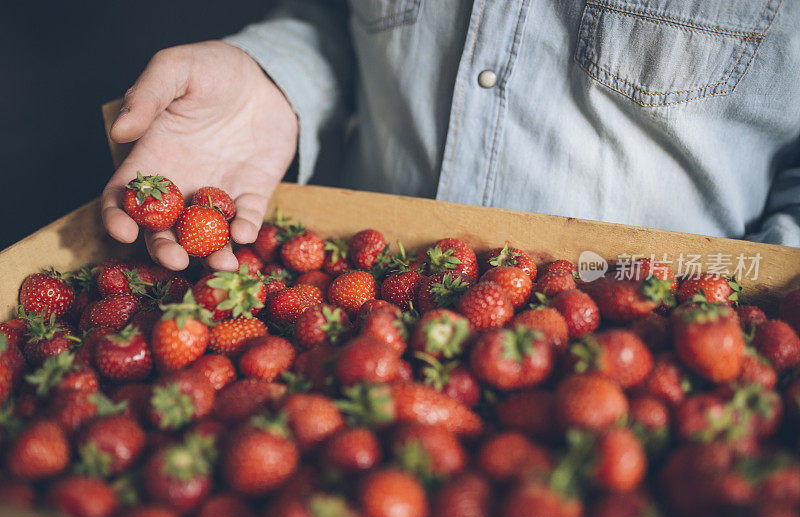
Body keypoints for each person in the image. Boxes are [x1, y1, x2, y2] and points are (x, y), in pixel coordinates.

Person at [102, 1, 800, 271]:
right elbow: (334, 18)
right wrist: (270, 78)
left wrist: (746, 317)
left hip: (640, 351)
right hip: (353, 294)